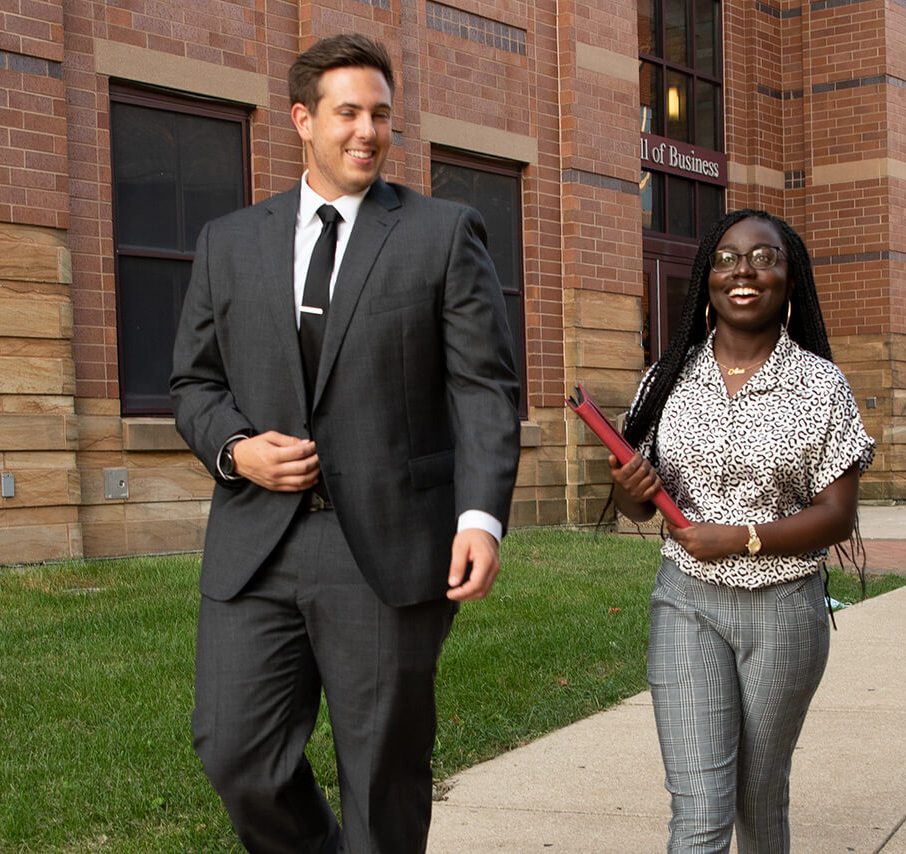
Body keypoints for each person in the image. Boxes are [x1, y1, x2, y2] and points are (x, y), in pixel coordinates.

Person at [168, 34, 522, 854]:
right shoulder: (230, 243)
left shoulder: (441, 233)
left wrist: (480, 516)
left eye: (382, 116)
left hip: (390, 545)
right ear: (302, 119)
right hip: (258, 539)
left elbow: (483, 388)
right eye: (348, 113)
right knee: (234, 750)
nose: (368, 132)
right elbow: (193, 384)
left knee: (383, 775)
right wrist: (236, 450)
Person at [607, 209, 872, 853]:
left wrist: (740, 537)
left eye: (764, 257)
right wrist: (631, 490)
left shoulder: (819, 384)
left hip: (783, 609)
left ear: (790, 279)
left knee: (758, 803)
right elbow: (636, 507)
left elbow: (838, 515)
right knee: (699, 808)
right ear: (706, 279)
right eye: (726, 258)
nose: (743, 271)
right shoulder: (668, 378)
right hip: (686, 601)